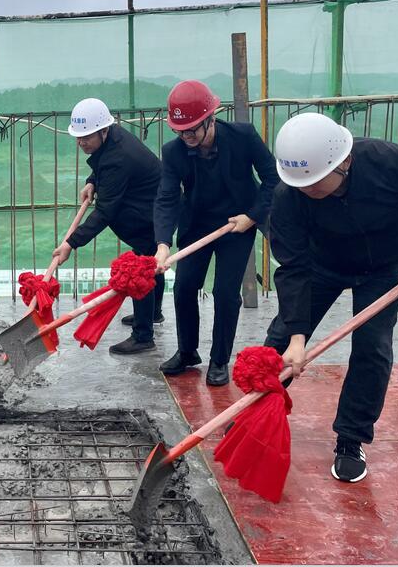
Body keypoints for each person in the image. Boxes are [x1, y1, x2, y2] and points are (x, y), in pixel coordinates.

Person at [265, 112, 398, 483]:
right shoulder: (289, 195)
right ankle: (254, 411)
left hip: (385, 267)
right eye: (301, 183)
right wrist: (299, 336)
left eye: (316, 181)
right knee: (281, 339)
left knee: (372, 346)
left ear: (344, 161)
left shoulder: (391, 162)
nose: (308, 190)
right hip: (322, 264)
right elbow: (293, 267)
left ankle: (351, 438)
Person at [153, 81, 279, 386]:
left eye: (192, 130)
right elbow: (167, 197)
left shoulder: (243, 136)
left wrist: (252, 217)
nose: (186, 137)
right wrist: (162, 244)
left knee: (225, 293)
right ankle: (187, 352)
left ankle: (220, 360)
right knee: (184, 287)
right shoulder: (173, 152)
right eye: (180, 131)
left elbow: (272, 178)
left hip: (237, 224)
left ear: (211, 118)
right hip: (197, 225)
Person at [52, 98, 165, 355]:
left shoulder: (119, 157)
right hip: (150, 204)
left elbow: (105, 211)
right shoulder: (113, 136)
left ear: (103, 131)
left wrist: (71, 243)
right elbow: (103, 162)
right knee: (149, 262)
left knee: (141, 268)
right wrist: (93, 180)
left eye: (86, 137)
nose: (81, 142)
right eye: (78, 137)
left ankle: (143, 336)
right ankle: (152, 314)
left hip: (151, 212)